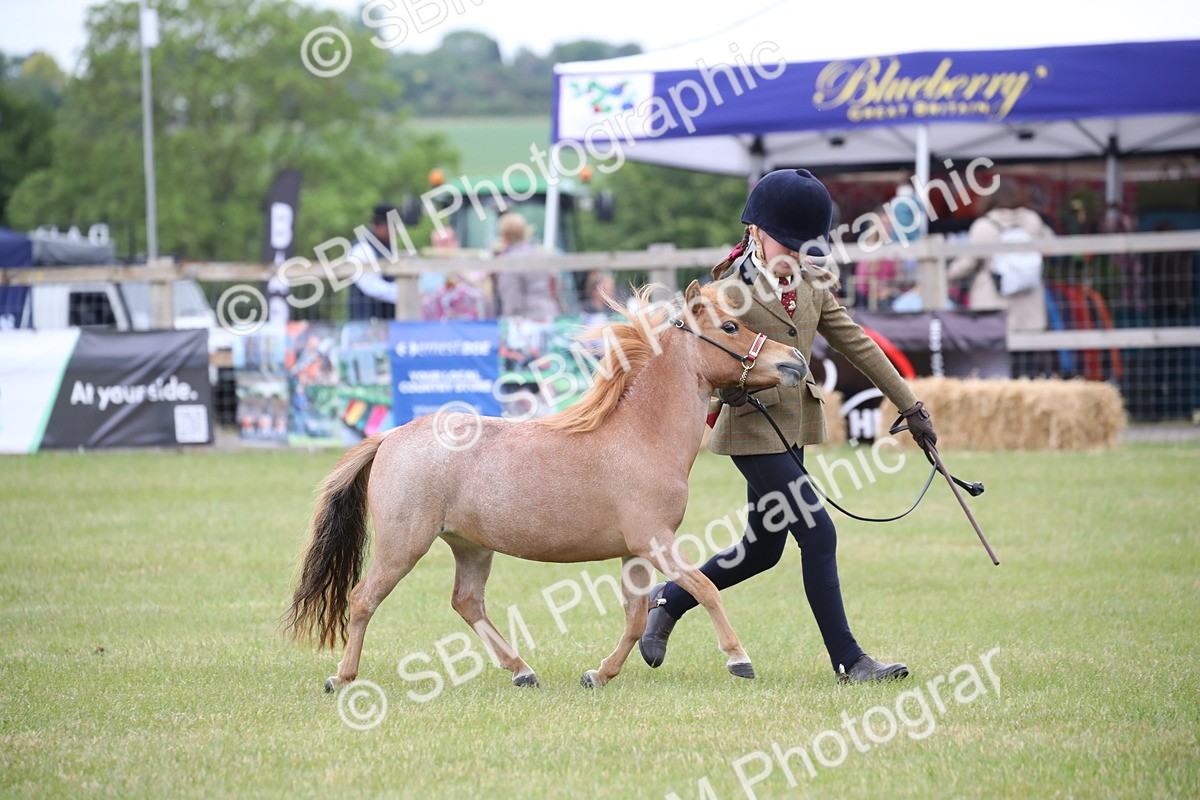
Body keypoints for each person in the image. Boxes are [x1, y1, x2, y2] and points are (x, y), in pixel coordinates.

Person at [638, 169, 938, 683]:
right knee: (818, 534)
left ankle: (667, 598)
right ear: (755, 231)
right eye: (787, 243)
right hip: (751, 433)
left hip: (795, 429)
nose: (795, 254)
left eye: (805, 245)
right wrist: (737, 383)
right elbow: (708, 365)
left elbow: (857, 343)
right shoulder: (728, 294)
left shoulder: (814, 284)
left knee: (761, 550)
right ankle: (850, 662)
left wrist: (910, 406)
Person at [947, 180, 1053, 334]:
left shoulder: (983, 226)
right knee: (1027, 357)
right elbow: (1050, 244)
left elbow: (967, 263)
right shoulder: (1032, 220)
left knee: (995, 355)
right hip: (1029, 303)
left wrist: (947, 275)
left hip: (993, 305)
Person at [492, 212, 560, 321]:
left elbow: (512, 300)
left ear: (504, 235)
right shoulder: (539, 254)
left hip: (528, 321)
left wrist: (507, 324)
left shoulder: (508, 261)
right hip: (550, 314)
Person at [348, 203, 400, 320]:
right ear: (377, 225)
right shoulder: (361, 248)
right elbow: (371, 286)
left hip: (386, 320)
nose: (395, 232)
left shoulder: (388, 246)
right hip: (365, 321)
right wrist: (403, 292)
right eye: (391, 227)